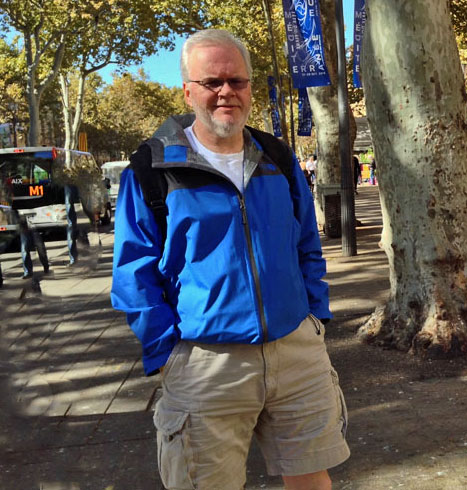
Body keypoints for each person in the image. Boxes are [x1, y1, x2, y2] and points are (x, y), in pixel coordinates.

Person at [111, 29, 349, 490]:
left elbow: (306, 243)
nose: (226, 92)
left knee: (312, 480)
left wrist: (315, 317)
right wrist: (167, 353)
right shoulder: (151, 170)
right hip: (205, 363)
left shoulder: (277, 158)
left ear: (250, 88)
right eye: (212, 82)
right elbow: (133, 274)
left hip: (296, 351)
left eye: (237, 81)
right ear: (187, 91)